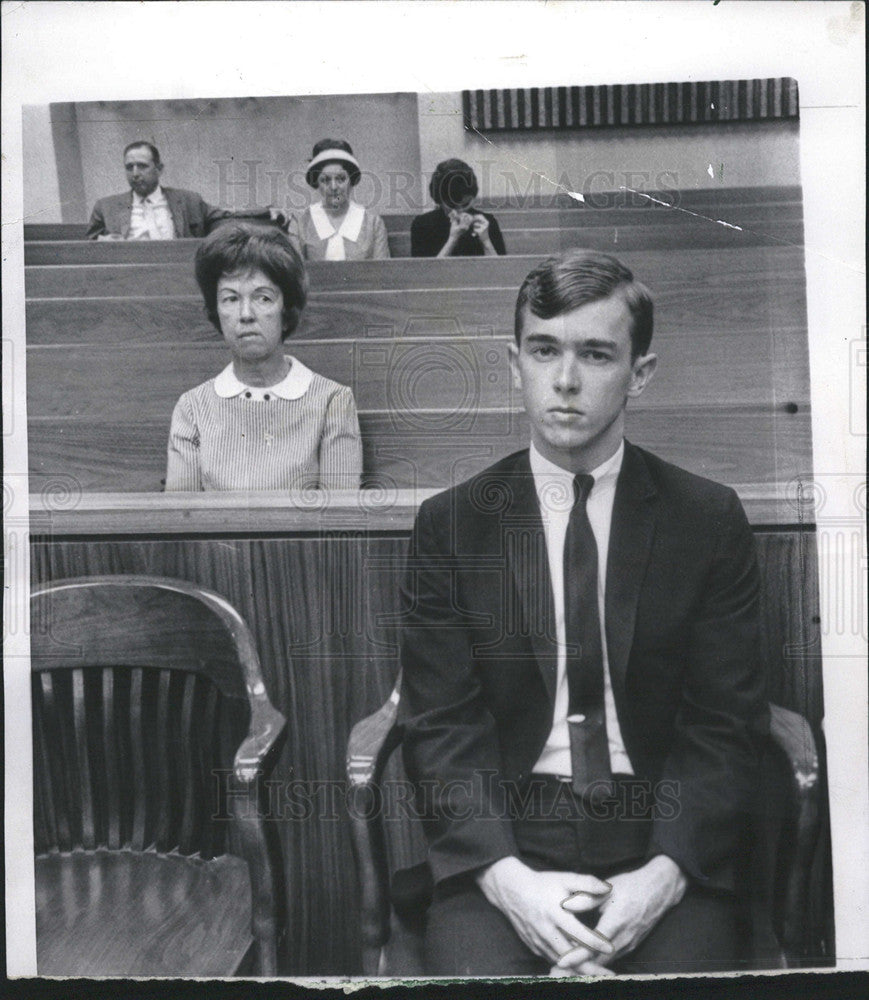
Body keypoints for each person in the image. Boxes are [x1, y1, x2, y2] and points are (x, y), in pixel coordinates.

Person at [398, 248, 767, 976]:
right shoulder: (453, 524)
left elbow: (725, 722)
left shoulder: (706, 518)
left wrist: (662, 879)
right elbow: (440, 723)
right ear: (514, 364)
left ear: (640, 373)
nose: (564, 381)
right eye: (543, 351)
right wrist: (508, 883)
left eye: (595, 354)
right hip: (506, 837)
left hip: (662, 832)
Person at [165, 222, 362, 492]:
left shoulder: (331, 402)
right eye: (231, 299)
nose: (246, 314)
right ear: (216, 312)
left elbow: (338, 519)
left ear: (287, 310)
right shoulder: (193, 408)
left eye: (263, 298)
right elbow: (182, 520)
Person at [86, 141, 282, 241]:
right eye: (129, 167)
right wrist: (101, 242)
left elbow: (227, 215)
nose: (135, 173)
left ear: (159, 169)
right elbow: (85, 247)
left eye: (142, 166)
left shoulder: (188, 201)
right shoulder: (105, 207)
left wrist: (266, 213)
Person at [288, 139, 390, 261]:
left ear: (351, 181)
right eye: (325, 180)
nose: (334, 187)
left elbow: (384, 275)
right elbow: (295, 275)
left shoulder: (373, 224)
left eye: (341, 179)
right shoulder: (300, 223)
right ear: (316, 183)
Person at [411, 158, 506, 258]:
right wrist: (453, 239)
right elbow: (423, 272)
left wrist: (486, 241)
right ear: (439, 201)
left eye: (466, 204)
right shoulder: (422, 225)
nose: (460, 211)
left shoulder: (488, 222)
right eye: (452, 206)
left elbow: (501, 270)